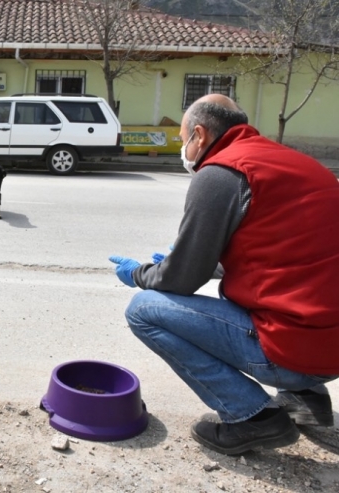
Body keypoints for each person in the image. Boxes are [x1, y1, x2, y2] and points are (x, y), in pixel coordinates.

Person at [109, 94, 339, 456]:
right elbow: (270, 253)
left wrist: (141, 273)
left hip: (292, 350)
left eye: (183, 139)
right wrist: (190, 260)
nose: (183, 150)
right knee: (256, 290)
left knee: (143, 309)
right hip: (330, 346)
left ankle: (252, 418)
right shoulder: (295, 163)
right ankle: (309, 400)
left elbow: (182, 279)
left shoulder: (222, 173)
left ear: (199, 135)